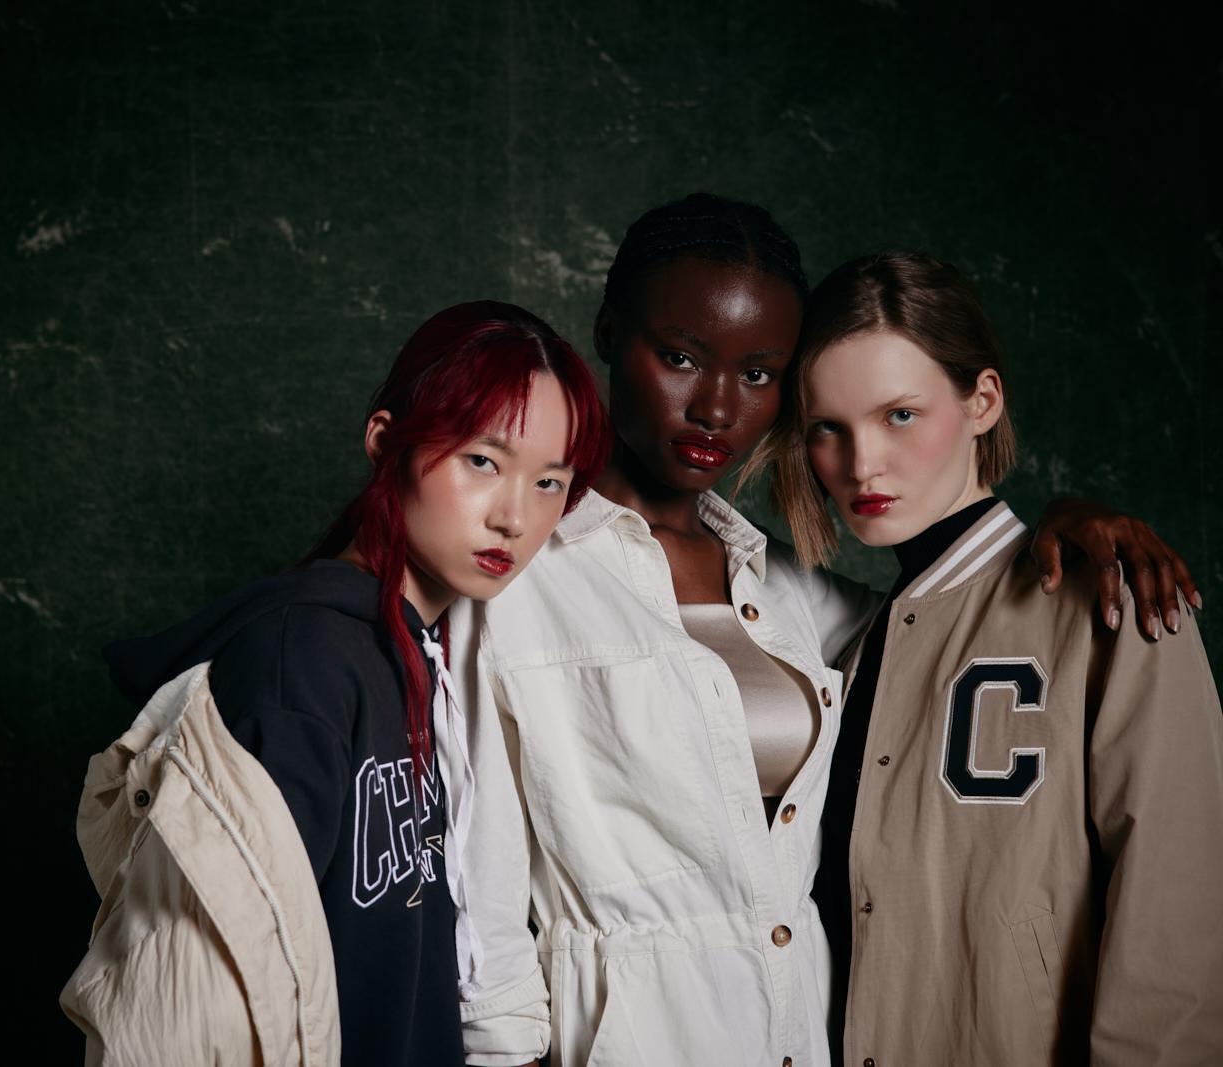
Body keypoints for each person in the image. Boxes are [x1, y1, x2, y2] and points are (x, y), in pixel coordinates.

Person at [450, 196, 1200, 1067]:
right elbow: (483, 895)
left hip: (802, 1034)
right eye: (682, 357)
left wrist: (1065, 523)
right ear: (613, 332)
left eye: (761, 376)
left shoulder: (796, 598)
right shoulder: (517, 579)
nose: (717, 407)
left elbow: (958, 604)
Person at [61, 301, 608, 1067]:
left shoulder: (423, 656)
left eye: (551, 481)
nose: (517, 515)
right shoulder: (303, 662)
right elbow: (207, 1009)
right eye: (482, 461)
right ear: (386, 440)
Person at [768, 250, 1223, 1065]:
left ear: (981, 400)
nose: (862, 463)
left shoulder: (1115, 596)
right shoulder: (848, 642)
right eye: (828, 428)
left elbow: (1180, 917)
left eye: (899, 414)